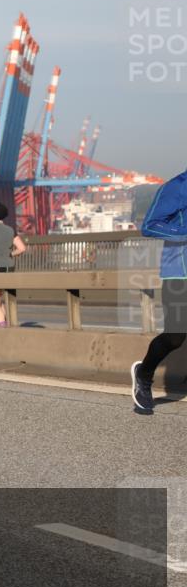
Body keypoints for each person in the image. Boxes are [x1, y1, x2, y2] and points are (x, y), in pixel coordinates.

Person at [132, 169, 187, 413]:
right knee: (176, 336)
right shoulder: (177, 186)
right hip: (179, 272)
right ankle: (143, 374)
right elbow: (150, 225)